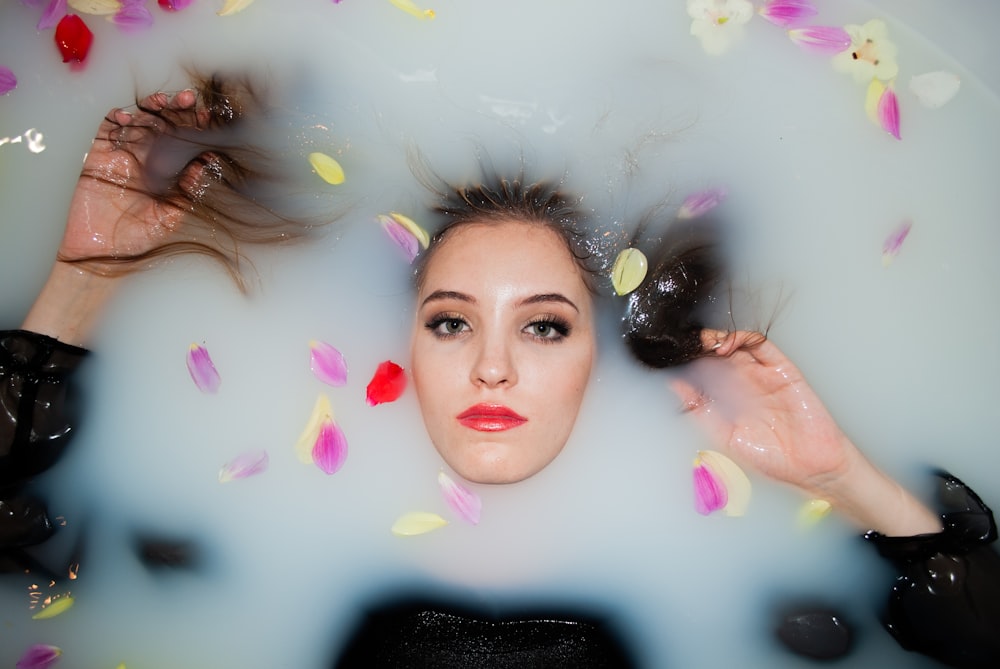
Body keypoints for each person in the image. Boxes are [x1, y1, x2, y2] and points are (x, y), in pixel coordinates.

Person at [2, 80, 998, 668]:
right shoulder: (240, 527)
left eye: (546, 328)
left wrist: (845, 485)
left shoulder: (727, 581)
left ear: (599, 360)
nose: (489, 366)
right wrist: (83, 287)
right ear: (406, 348)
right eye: (449, 321)